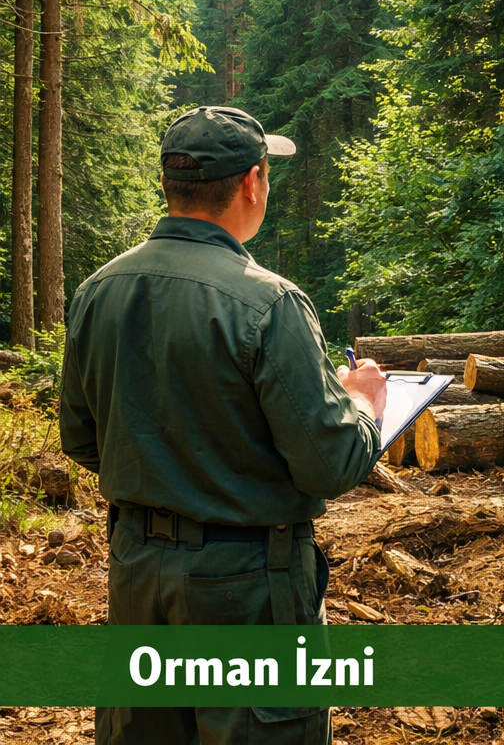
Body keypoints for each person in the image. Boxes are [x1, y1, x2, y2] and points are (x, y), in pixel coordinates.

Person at [59, 105, 386, 745]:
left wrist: (169, 473)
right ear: (253, 182)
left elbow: (80, 436)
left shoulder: (99, 289)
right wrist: (365, 403)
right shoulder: (269, 302)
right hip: (249, 590)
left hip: (138, 573)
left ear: (168, 185)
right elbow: (331, 463)